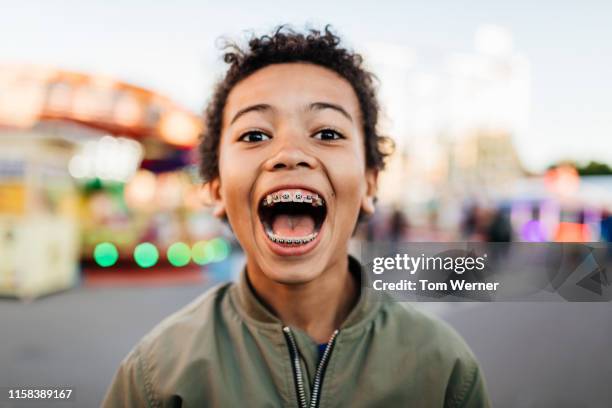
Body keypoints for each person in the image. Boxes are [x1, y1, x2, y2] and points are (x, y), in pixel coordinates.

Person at [103, 25, 490, 407]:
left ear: (370, 184)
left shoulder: (442, 370)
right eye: (254, 135)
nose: (289, 153)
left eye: (327, 133)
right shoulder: (156, 376)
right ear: (216, 187)